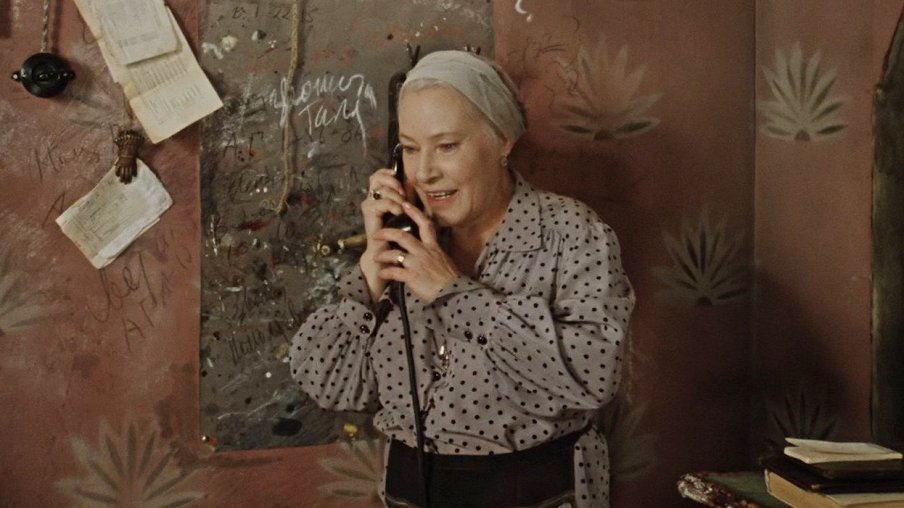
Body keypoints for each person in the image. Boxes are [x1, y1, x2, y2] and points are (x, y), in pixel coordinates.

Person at [289, 50, 634, 508]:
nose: (425, 172)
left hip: (536, 492)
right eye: (410, 149)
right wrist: (371, 272)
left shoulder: (570, 232)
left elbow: (594, 374)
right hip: (410, 491)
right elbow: (328, 385)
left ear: (503, 140)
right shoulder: (405, 240)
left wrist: (454, 294)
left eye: (447, 146)